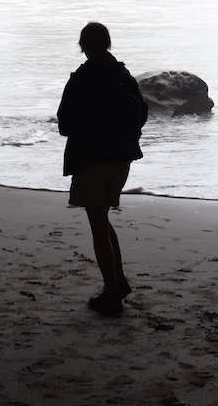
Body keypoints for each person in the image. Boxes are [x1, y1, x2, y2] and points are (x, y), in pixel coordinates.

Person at [55, 20, 148, 315]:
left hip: (93, 159)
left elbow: (64, 124)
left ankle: (111, 294)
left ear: (82, 45)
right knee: (102, 217)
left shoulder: (83, 78)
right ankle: (117, 281)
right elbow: (142, 113)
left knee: (97, 224)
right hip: (122, 158)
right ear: (107, 44)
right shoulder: (123, 75)